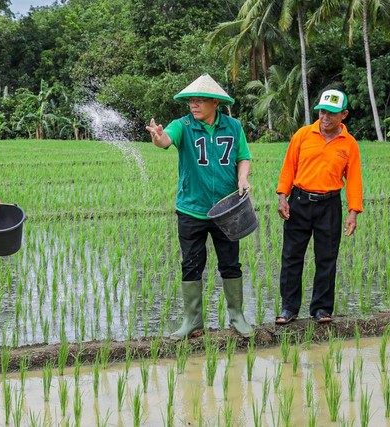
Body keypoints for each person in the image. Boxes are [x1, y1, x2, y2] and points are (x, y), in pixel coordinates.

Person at [145, 73, 254, 338]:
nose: (193, 105)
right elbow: (164, 141)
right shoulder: (182, 125)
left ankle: (237, 317)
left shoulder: (233, 127)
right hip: (191, 209)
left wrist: (242, 177)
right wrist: (157, 137)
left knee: (230, 263)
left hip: (228, 209)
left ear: (215, 102)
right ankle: (192, 321)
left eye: (199, 101)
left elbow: (243, 157)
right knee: (191, 264)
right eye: (190, 101)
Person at [275, 89, 363, 324]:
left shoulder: (349, 144)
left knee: (326, 258)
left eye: (332, 113)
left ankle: (322, 309)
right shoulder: (303, 135)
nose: (325, 117)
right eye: (323, 112)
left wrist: (353, 213)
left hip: (329, 206)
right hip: (300, 202)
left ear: (343, 115)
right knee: (292, 256)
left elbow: (354, 180)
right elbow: (288, 168)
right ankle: (289, 308)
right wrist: (282, 197)